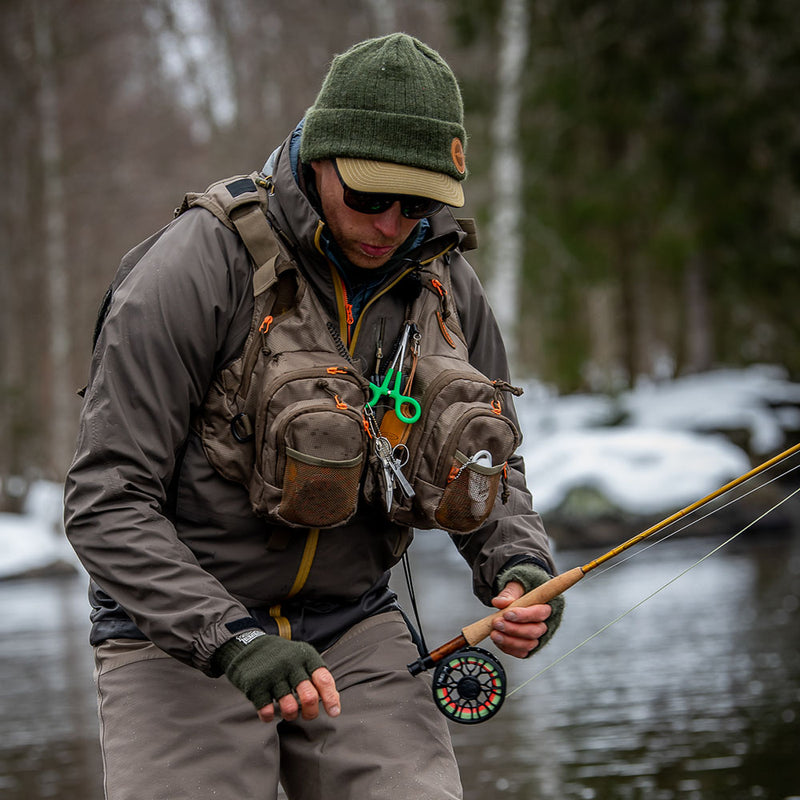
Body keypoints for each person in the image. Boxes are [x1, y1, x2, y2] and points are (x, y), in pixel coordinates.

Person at [64, 33, 564, 800]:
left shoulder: (446, 283)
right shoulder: (195, 268)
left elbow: (493, 465)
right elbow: (106, 501)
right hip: (178, 640)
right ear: (318, 159)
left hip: (354, 626)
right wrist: (230, 640)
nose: (392, 223)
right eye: (369, 196)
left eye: (419, 202)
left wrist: (518, 567)